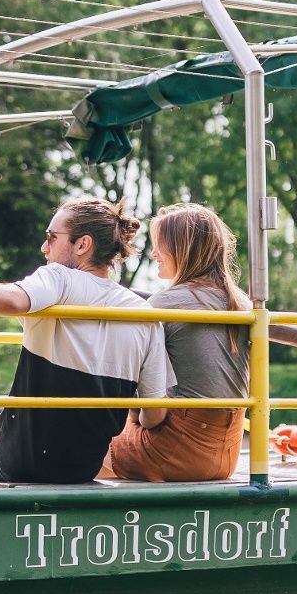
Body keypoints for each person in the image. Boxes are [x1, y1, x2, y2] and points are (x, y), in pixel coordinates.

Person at [0, 197, 172, 486]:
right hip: (81, 467)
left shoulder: (60, 279)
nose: (44, 247)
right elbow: (154, 415)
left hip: (21, 463)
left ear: (82, 245)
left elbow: (13, 300)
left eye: (51, 237)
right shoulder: (144, 315)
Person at [101, 203, 251, 482]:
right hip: (227, 454)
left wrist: (135, 416)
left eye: (161, 245)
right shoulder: (240, 302)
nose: (154, 253)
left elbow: (151, 418)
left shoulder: (165, 304)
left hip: (175, 451)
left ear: (184, 250)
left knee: (83, 446)